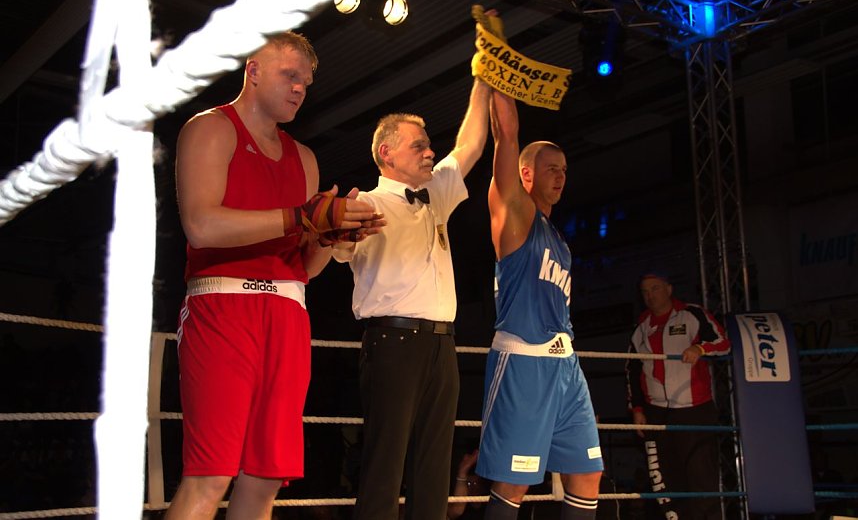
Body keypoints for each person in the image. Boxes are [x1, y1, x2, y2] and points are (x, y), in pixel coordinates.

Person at [167, 32, 381, 520]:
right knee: (209, 476)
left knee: (264, 480)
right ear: (254, 70)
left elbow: (304, 267)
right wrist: (301, 217)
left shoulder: (304, 157)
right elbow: (201, 226)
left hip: (287, 312)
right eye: (290, 75)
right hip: (223, 306)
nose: (299, 88)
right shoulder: (211, 127)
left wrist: (330, 237)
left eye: (306, 82)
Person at [332, 75, 492, 520]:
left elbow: (470, 145)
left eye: (429, 145)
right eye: (418, 145)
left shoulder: (435, 194)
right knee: (385, 463)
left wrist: (483, 81)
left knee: (434, 465)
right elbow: (337, 248)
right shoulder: (365, 204)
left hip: (442, 342)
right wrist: (339, 231)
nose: (429, 152)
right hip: (392, 342)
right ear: (387, 152)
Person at [475, 90, 603, 520]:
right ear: (526, 173)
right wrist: (500, 80)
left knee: (587, 474)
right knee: (514, 482)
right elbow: (506, 138)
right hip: (523, 362)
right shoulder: (514, 214)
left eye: (564, 170)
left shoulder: (558, 238)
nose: (561, 176)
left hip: (565, 365)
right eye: (551, 168)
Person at [625, 272, 730, 520]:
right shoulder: (641, 327)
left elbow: (724, 343)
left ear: (669, 289)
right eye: (645, 291)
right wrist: (637, 409)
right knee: (667, 482)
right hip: (656, 412)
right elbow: (632, 370)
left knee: (702, 478)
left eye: (655, 288)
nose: (650, 295)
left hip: (694, 409)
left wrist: (700, 348)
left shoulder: (692, 314)